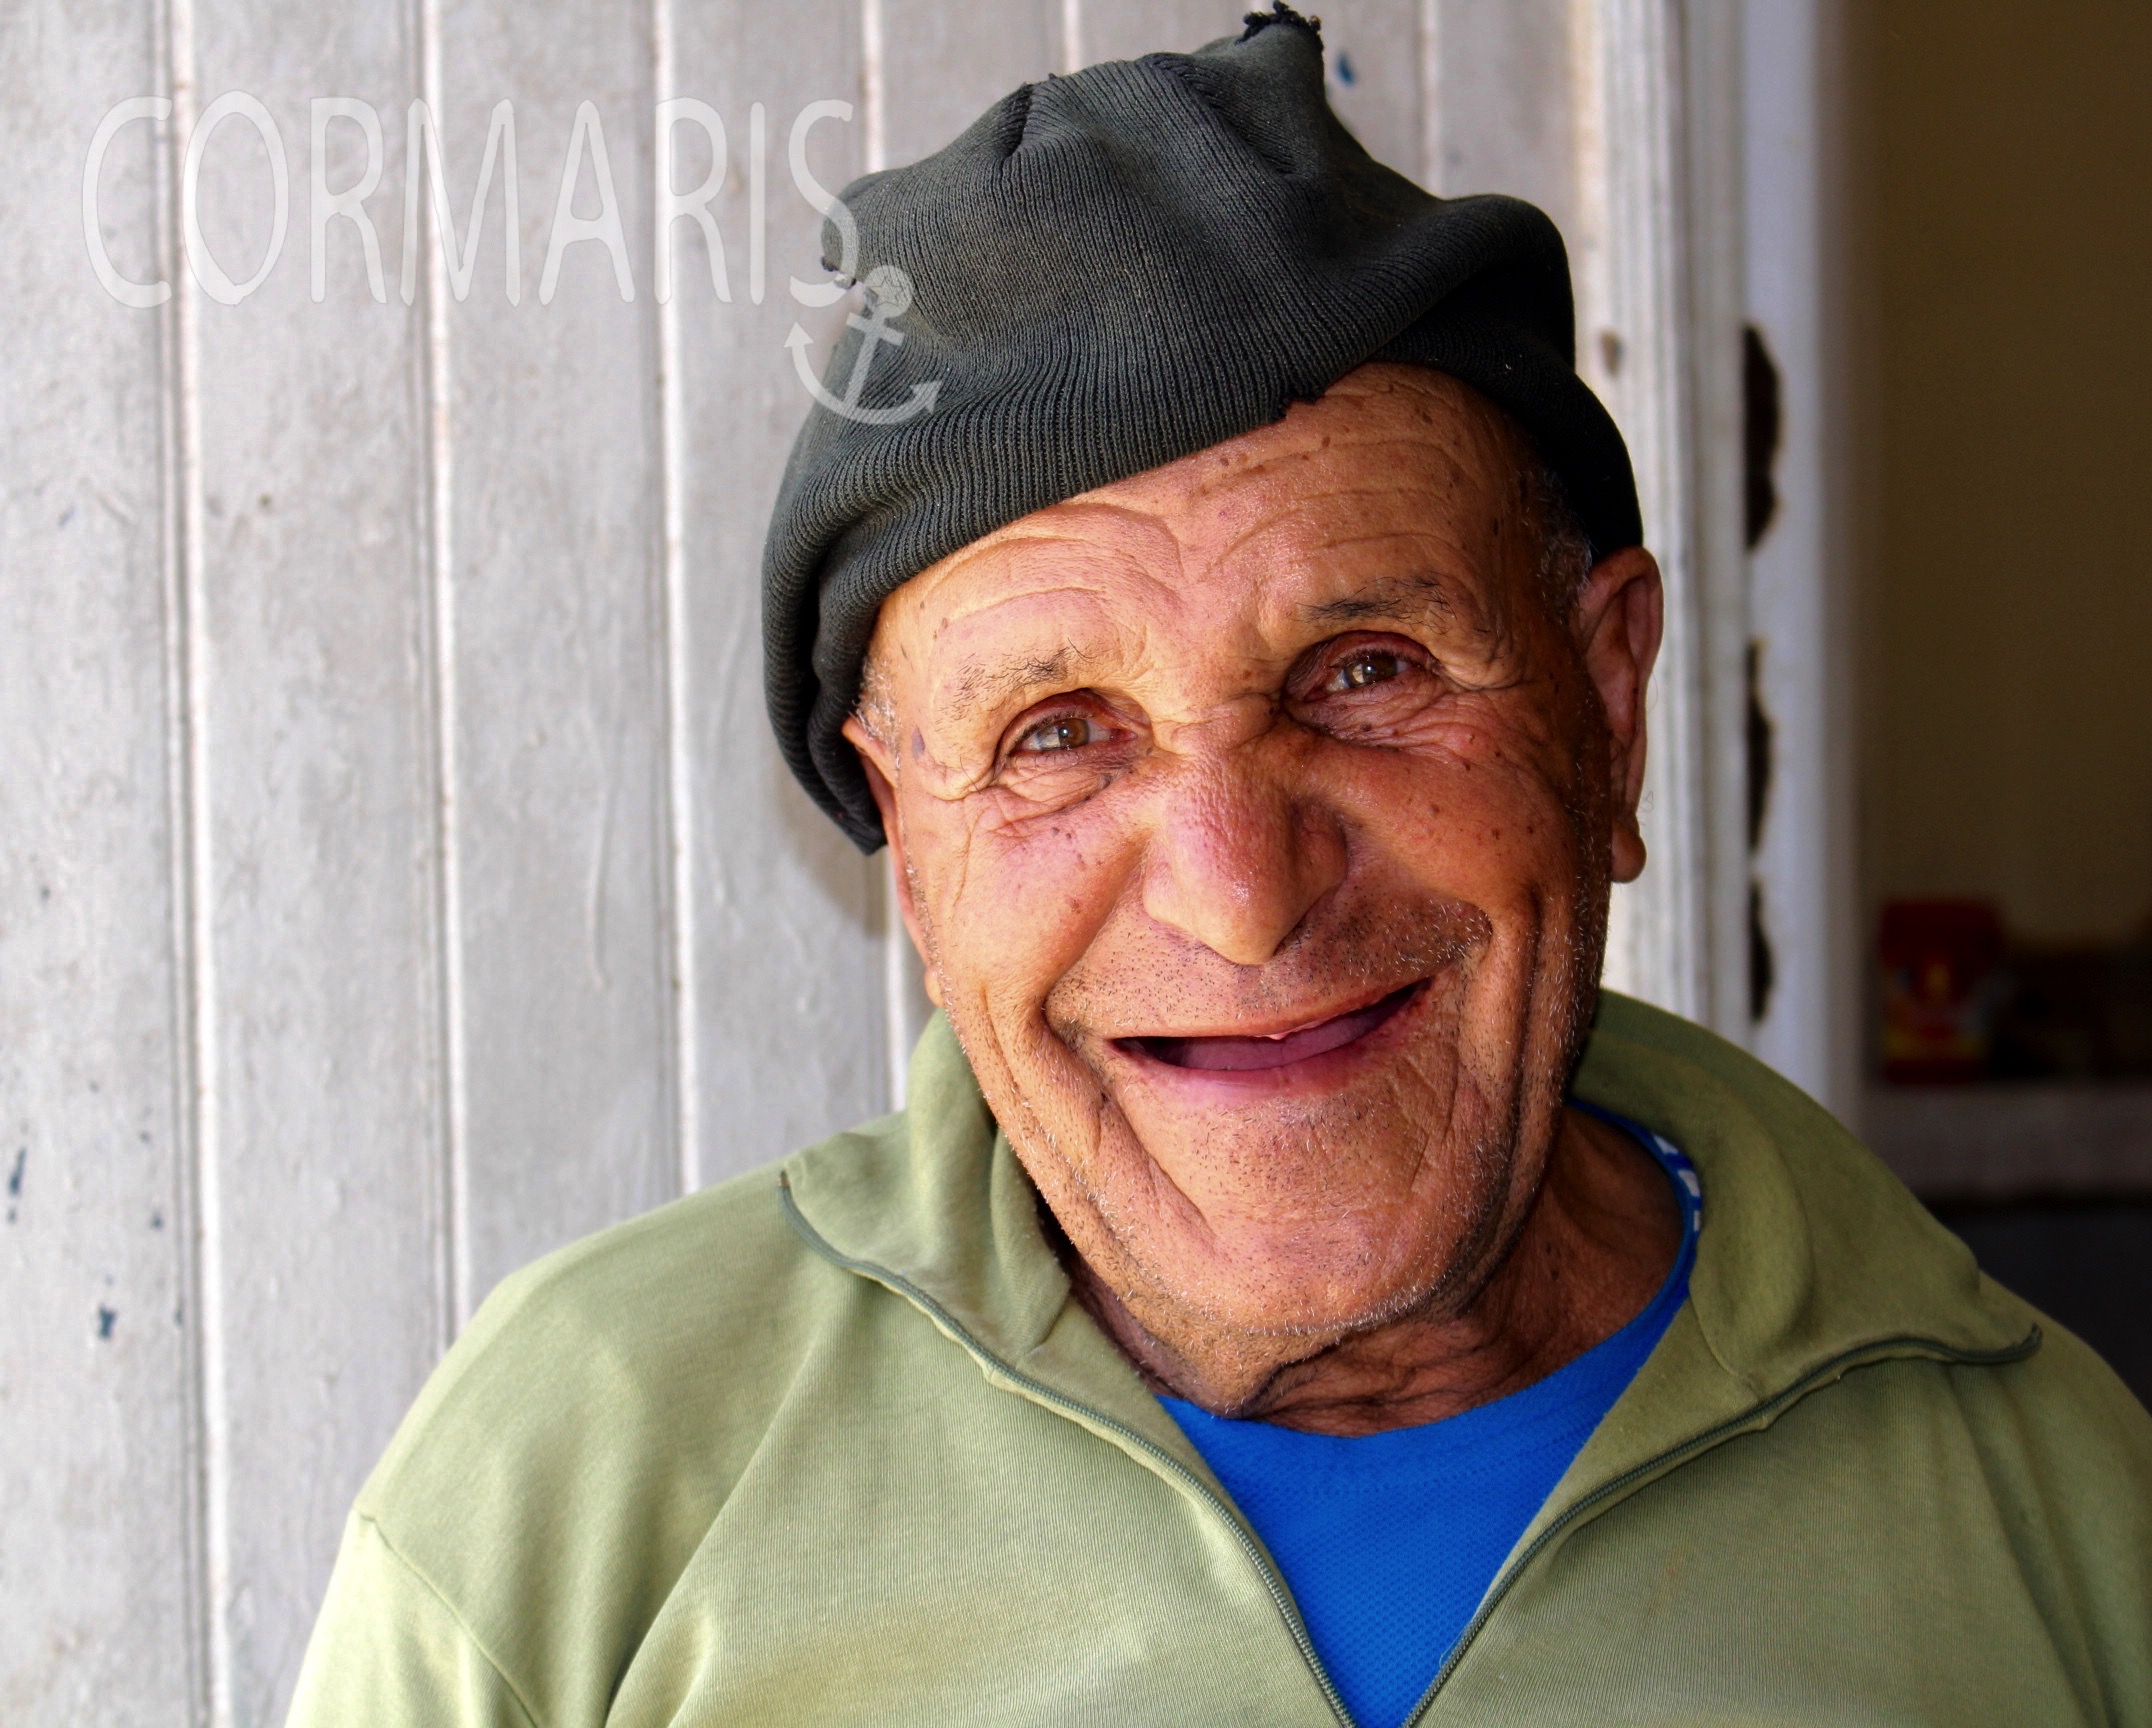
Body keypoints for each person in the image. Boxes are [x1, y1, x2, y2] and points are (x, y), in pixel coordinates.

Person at [288, 12, 2152, 1725]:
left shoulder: (2059, 1527)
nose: (1242, 890)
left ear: (1608, 714)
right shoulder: (576, 1496)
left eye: (1364, 675)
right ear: (915, 864)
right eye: (1057, 736)